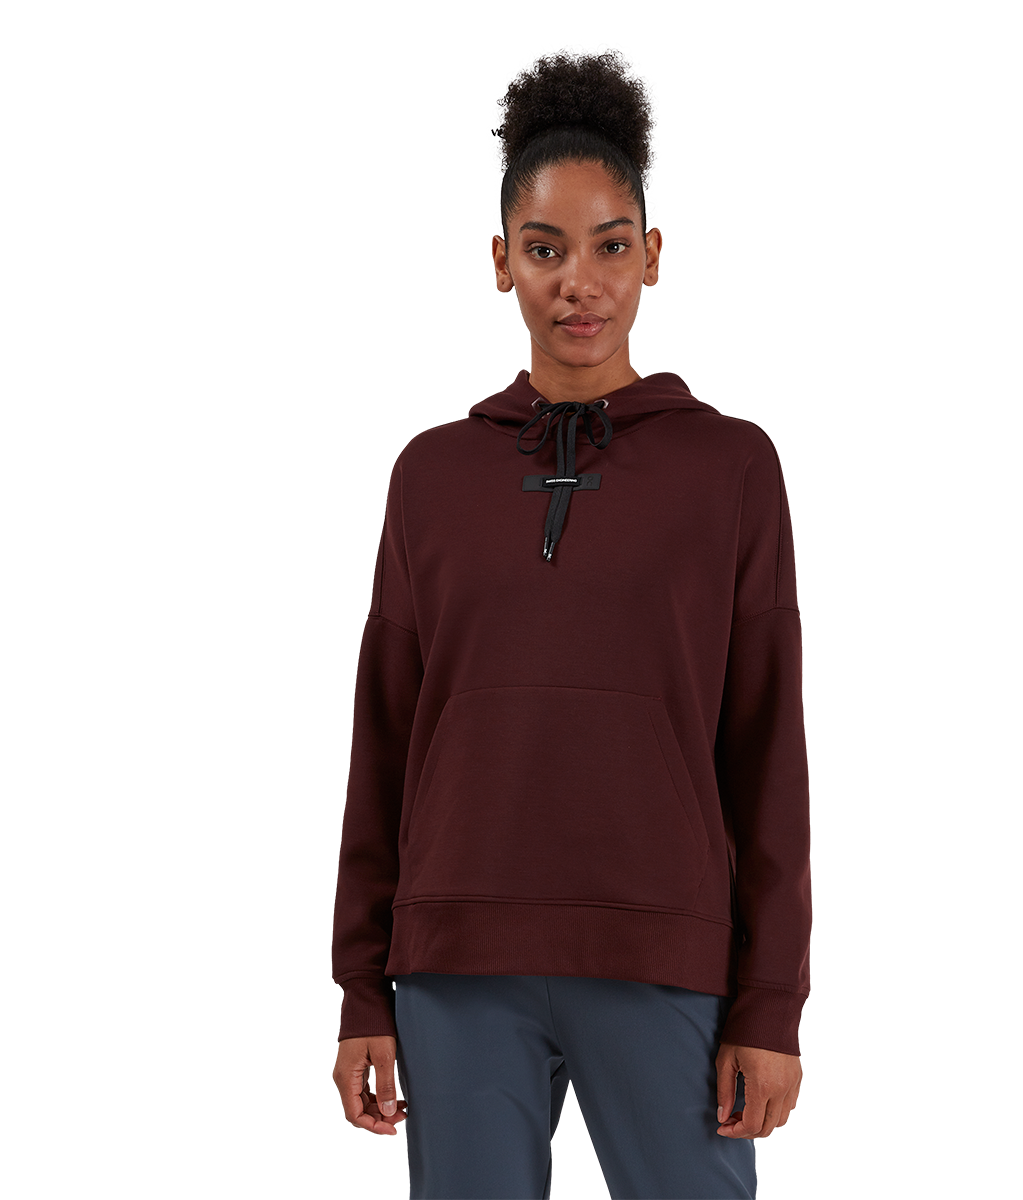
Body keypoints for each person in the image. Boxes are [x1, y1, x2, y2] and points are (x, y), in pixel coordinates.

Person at [331, 48, 812, 1200]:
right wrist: (360, 993)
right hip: (455, 963)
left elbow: (766, 750)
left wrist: (771, 1005)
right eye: (545, 250)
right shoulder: (431, 477)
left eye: (609, 245)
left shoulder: (731, 470)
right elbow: (385, 746)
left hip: (662, 953)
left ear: (654, 255)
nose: (578, 283)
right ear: (501, 262)